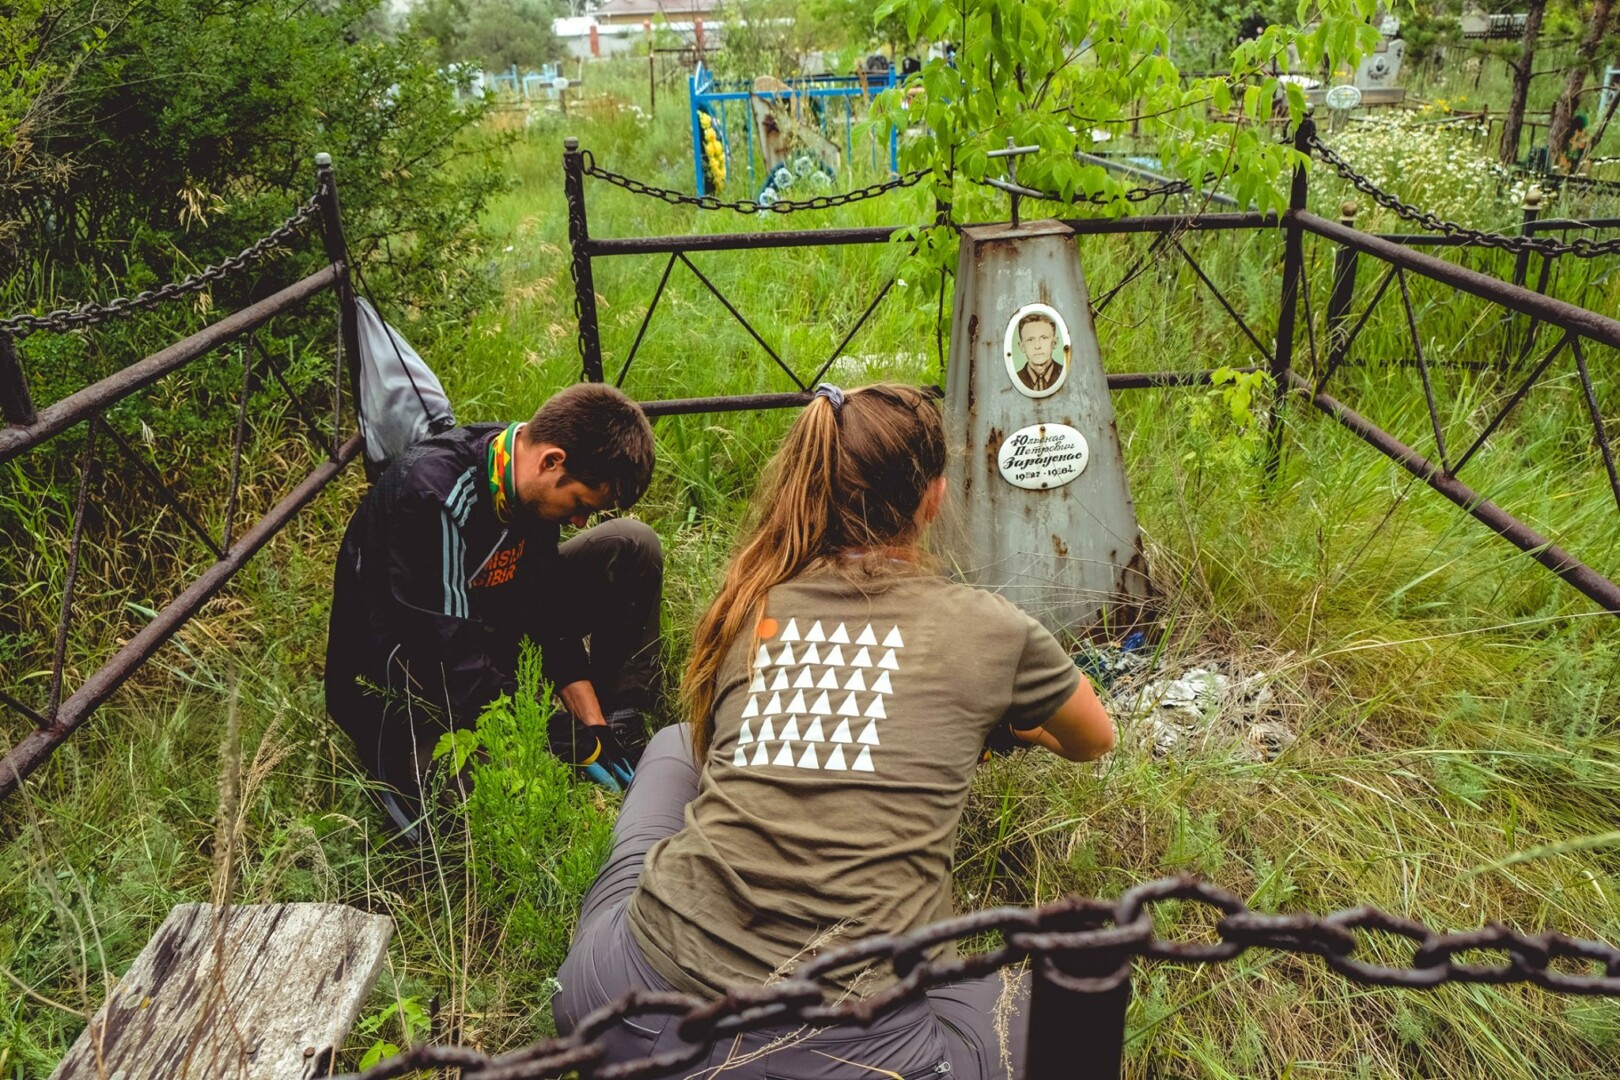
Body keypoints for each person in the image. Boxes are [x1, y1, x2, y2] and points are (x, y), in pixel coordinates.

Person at [553, 383, 1116, 1079]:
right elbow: (1095, 738)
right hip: (843, 1058)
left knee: (675, 747)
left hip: (616, 1006)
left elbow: (719, 740)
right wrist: (1015, 728)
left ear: (816, 485)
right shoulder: (995, 628)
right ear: (933, 498)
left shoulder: (753, 601)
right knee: (1035, 1015)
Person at [325, 382, 661, 841]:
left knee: (631, 544)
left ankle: (624, 734)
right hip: (404, 684)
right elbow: (446, 661)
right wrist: (551, 733)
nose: (580, 522)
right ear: (552, 462)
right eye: (581, 505)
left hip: (481, 634)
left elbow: (543, 608)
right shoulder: (433, 496)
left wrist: (593, 728)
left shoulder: (526, 476)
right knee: (499, 818)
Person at [1013, 311, 1063, 392]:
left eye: (1044, 338)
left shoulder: (1065, 374)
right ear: (1022, 346)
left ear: (1054, 343)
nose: (1037, 346)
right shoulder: (1016, 379)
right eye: (1030, 340)